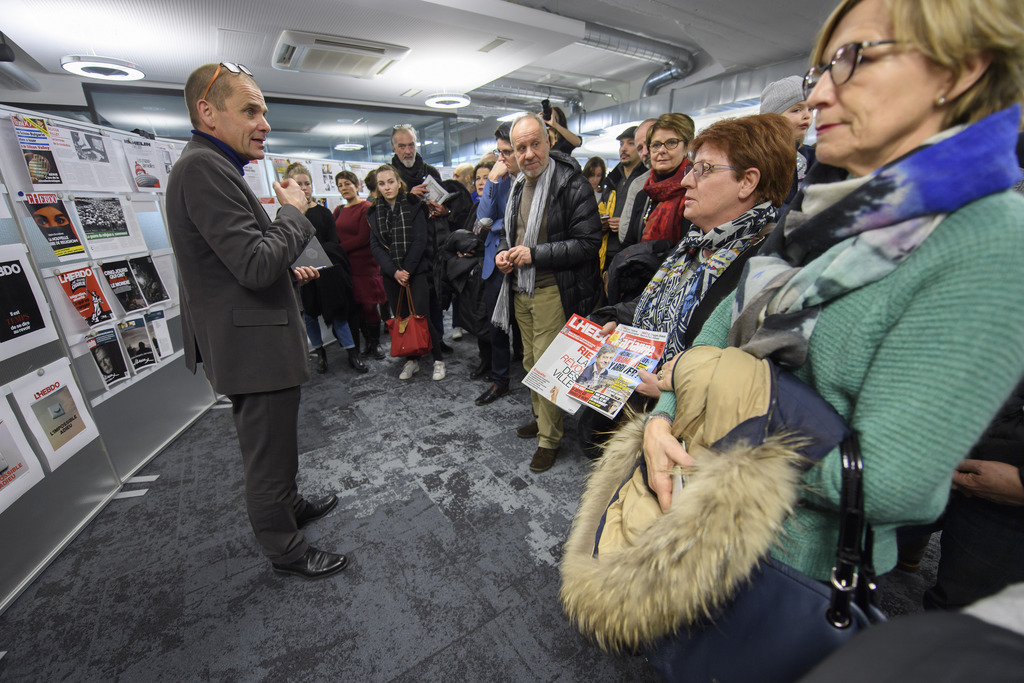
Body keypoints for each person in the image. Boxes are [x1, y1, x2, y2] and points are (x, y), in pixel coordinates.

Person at [641, 0, 1024, 590]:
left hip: (796, 558)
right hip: (707, 499)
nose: (817, 95)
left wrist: (710, 431)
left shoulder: (991, 238)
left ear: (960, 70)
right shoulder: (824, 201)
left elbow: (896, 483)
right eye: (821, 72)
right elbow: (732, 311)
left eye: (852, 59)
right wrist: (665, 418)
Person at [166, 62, 348, 580]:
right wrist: (292, 212)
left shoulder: (214, 166)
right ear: (208, 111)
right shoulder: (203, 168)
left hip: (253, 334)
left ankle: (288, 507)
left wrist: (290, 270)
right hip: (249, 346)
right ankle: (286, 550)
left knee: (279, 442)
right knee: (266, 456)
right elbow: (253, 263)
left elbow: (240, 264)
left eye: (263, 111)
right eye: (250, 110)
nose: (264, 123)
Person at [582, 114, 795, 457]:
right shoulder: (694, 244)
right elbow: (661, 306)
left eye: (704, 170)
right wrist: (618, 321)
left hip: (694, 442)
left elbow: (751, 385)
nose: (686, 182)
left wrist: (674, 389)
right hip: (639, 416)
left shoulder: (763, 268)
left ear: (748, 182)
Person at [494, 113, 601, 472]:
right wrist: (505, 255)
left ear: (549, 142)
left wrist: (535, 255)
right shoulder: (516, 186)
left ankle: (549, 439)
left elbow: (588, 244)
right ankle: (544, 420)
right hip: (520, 288)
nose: (528, 154)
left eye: (534, 144)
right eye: (520, 148)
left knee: (547, 368)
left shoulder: (573, 184)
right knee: (528, 362)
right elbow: (513, 237)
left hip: (555, 288)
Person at [284, 162, 367, 375]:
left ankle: (351, 352)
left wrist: (315, 253)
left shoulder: (323, 213)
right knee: (310, 315)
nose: (304, 188)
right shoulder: (286, 215)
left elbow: (334, 242)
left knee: (337, 314)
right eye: (299, 184)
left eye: (307, 183)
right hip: (304, 276)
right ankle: (320, 354)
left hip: (328, 272)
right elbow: (287, 246)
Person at [367, 164, 446, 381]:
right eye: (382, 183)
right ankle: (412, 360)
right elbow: (375, 246)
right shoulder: (373, 212)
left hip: (416, 271)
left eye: (390, 182)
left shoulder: (414, 204)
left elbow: (420, 240)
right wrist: (395, 272)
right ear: (377, 187)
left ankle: (438, 359)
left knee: (422, 316)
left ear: (399, 182)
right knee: (402, 318)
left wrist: (406, 270)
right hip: (391, 275)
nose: (387, 187)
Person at [473, 123, 520, 406]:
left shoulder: (532, 177)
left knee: (525, 326)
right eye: (498, 152)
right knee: (498, 326)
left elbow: (505, 223)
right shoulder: (498, 179)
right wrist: (491, 180)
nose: (502, 159)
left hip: (525, 261)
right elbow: (483, 219)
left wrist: (498, 225)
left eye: (507, 152)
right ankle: (500, 380)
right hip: (494, 261)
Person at [334, 170, 387, 360]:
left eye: (347, 183)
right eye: (340, 185)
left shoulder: (366, 208)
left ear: (357, 186)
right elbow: (333, 236)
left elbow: (363, 238)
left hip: (365, 267)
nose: (344, 188)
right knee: (356, 308)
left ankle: (376, 343)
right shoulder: (339, 210)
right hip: (346, 268)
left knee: (370, 306)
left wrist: (337, 251)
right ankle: (366, 341)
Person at [630, 113, 695, 246]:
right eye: (656, 145)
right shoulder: (644, 195)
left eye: (671, 143)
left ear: (686, 147)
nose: (662, 150)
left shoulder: (695, 191)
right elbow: (628, 245)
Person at [760, 75, 817, 206]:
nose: (807, 116)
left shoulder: (812, 156)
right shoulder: (752, 155)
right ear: (772, 118)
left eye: (811, 109)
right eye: (797, 110)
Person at [599, 127, 645, 271]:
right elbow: (600, 208)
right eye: (621, 144)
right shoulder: (612, 181)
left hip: (632, 256)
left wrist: (627, 225)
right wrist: (600, 222)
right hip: (606, 253)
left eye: (630, 143)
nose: (623, 149)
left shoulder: (646, 181)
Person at [617, 118, 657, 247]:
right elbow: (626, 236)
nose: (646, 151)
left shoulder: (689, 183)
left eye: (630, 143)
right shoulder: (614, 180)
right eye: (640, 147)